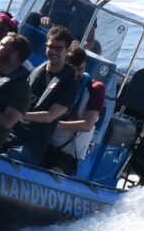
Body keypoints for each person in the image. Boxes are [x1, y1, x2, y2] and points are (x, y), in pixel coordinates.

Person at [16, 30, 96, 169]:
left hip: (31, 144)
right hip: (12, 132)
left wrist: (18, 114)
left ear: (66, 50)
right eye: (50, 47)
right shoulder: (34, 72)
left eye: (58, 48)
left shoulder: (69, 84)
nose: (53, 51)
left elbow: (50, 116)